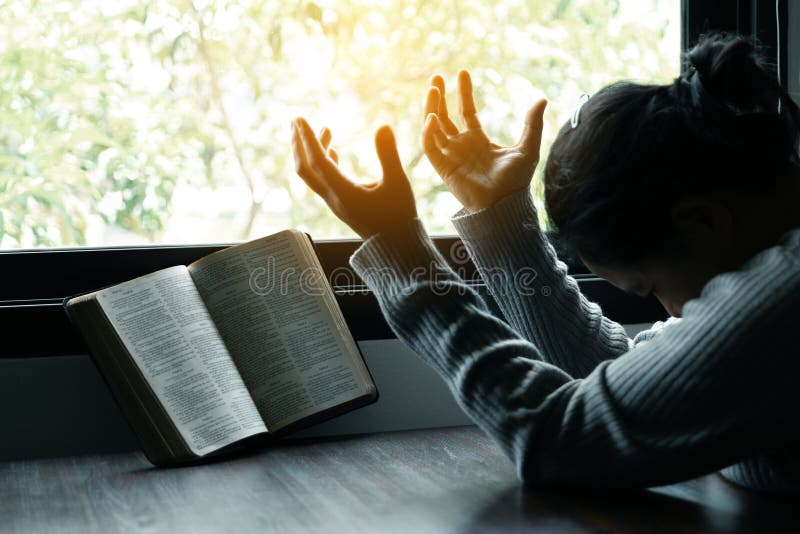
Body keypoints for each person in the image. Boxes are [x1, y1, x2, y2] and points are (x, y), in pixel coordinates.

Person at [290, 34, 800, 494]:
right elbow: (623, 377)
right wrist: (500, 221)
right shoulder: (764, 266)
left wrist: (399, 251)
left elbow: (563, 439)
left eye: (649, 287)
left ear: (702, 222)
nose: (668, 309)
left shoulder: (782, 291)